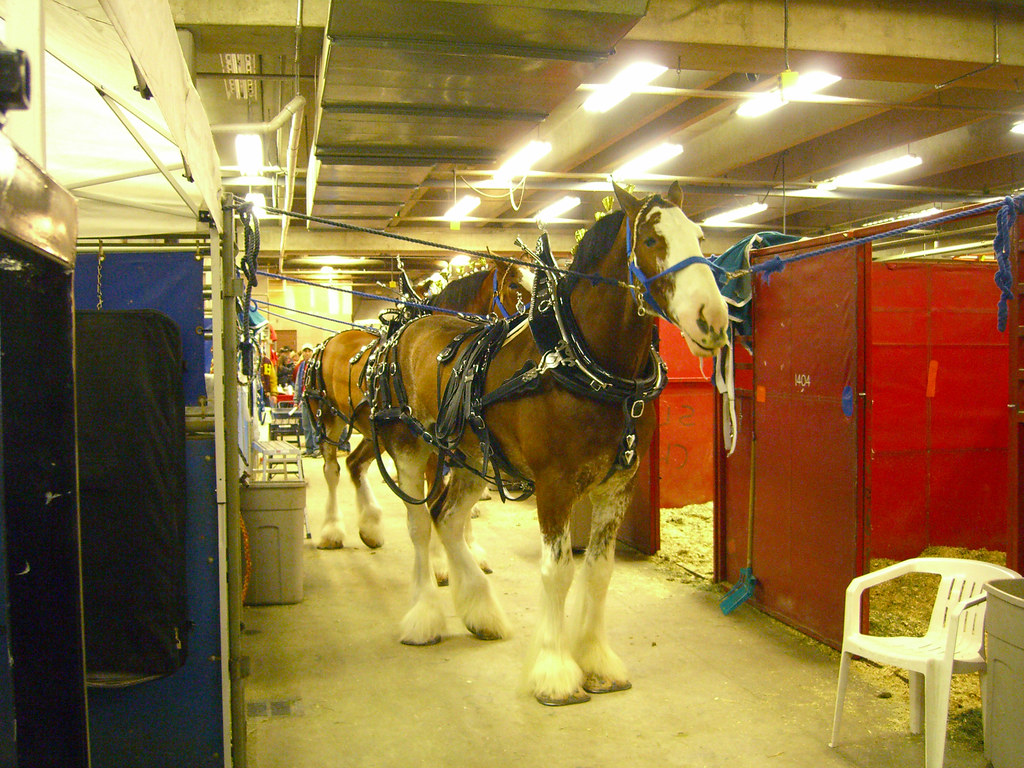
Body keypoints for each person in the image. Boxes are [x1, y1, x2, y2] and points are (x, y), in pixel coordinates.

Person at [294, 343, 319, 456]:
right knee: (306, 425)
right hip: (304, 399)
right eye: (305, 351)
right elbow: (298, 384)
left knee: (314, 425)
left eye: (309, 351)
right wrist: (296, 400)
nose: (307, 353)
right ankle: (309, 448)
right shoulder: (301, 366)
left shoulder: (316, 365)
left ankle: (317, 448)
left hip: (313, 399)